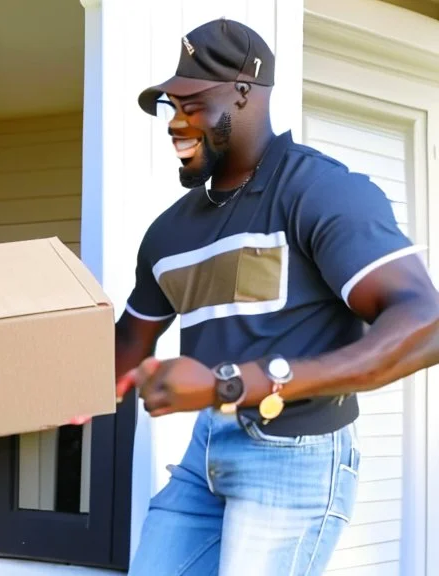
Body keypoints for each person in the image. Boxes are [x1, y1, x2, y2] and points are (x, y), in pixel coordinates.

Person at [103, 18, 439, 575]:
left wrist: (229, 383)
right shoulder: (168, 234)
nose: (176, 124)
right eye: (171, 107)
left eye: (192, 103)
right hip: (207, 447)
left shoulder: (319, 190)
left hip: (297, 452)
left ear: (245, 92)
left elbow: (425, 320)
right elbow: (124, 346)